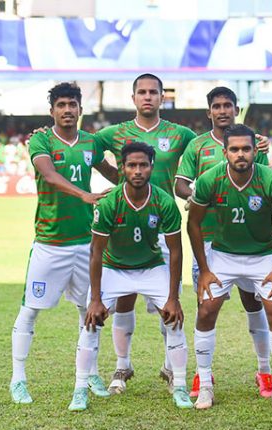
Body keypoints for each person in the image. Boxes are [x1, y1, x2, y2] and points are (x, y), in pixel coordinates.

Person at [10, 82, 117, 404]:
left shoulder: (90, 142)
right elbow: (49, 175)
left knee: (90, 311)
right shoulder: (41, 139)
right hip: (50, 243)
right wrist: (83, 194)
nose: (67, 110)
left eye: (72, 104)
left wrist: (140, 183)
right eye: (61, 105)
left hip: (86, 243)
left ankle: (92, 373)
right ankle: (18, 379)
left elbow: (112, 173)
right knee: (30, 310)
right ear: (52, 111)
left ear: (81, 109)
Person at [93, 73, 196, 394]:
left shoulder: (180, 134)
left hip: (164, 227)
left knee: (169, 305)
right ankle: (122, 366)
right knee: (124, 300)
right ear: (133, 97)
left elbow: (208, 148)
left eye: (153, 92)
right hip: (127, 225)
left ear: (163, 97)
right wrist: (117, 178)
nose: (148, 96)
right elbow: (87, 149)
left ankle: (170, 368)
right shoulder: (115, 133)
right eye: (142, 92)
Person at [69, 142, 191, 411]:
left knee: (174, 320)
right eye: (132, 165)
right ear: (122, 168)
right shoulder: (109, 202)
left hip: (151, 267)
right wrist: (96, 299)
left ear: (151, 167)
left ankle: (180, 387)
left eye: (143, 165)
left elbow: (175, 251)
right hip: (114, 268)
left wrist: (173, 297)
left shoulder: (164, 201)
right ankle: (80, 389)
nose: (137, 171)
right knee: (91, 322)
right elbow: (96, 253)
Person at [187, 124, 272, 410]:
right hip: (223, 256)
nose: (240, 154)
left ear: (255, 151)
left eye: (246, 149)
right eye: (234, 149)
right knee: (206, 310)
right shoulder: (210, 179)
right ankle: (205, 385)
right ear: (225, 152)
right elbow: (193, 223)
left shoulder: (271, 179)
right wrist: (205, 269)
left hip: (263, 256)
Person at [175, 87, 272, 398]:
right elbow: (180, 185)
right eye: (216, 106)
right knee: (205, 306)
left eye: (227, 105)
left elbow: (265, 181)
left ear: (236, 109)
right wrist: (200, 197)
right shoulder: (197, 145)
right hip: (208, 238)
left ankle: (264, 371)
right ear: (209, 112)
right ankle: (202, 374)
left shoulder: (255, 143)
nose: (222, 111)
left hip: (250, 240)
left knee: (254, 302)